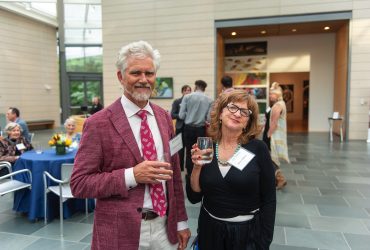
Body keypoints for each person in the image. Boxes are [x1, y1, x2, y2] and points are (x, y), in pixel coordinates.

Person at [70, 41, 190, 250]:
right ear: (120, 76)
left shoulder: (164, 118)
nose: (144, 80)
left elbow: (174, 177)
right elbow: (80, 184)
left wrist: (181, 221)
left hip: (164, 229)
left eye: (149, 73)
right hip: (120, 231)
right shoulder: (98, 123)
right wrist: (132, 175)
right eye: (136, 73)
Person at [188, 90, 276, 250]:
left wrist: (264, 241)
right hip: (210, 232)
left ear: (248, 121)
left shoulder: (258, 148)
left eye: (244, 112)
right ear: (220, 113)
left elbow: (269, 198)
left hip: (245, 235)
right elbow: (194, 196)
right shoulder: (206, 146)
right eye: (233, 107)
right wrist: (196, 167)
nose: (237, 114)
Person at [178, 80, 212, 192]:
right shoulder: (209, 100)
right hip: (201, 129)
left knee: (189, 152)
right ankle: (202, 175)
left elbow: (181, 115)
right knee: (203, 152)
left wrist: (190, 114)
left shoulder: (187, 97)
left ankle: (190, 177)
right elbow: (208, 119)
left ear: (195, 86)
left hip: (188, 128)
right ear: (204, 88)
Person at [263, 82, 289, 189]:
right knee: (270, 158)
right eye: (269, 94)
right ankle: (276, 178)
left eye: (272, 94)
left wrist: (268, 135)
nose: (270, 96)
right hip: (272, 134)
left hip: (272, 135)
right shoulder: (279, 104)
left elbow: (273, 123)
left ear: (277, 94)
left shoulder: (277, 106)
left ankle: (280, 178)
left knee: (270, 158)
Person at [170, 84, 192, 171]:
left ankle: (188, 166)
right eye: (186, 90)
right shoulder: (177, 101)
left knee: (189, 148)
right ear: (182, 92)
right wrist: (181, 116)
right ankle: (180, 168)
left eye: (189, 90)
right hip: (180, 127)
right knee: (180, 149)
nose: (187, 92)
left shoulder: (192, 102)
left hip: (190, 128)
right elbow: (172, 115)